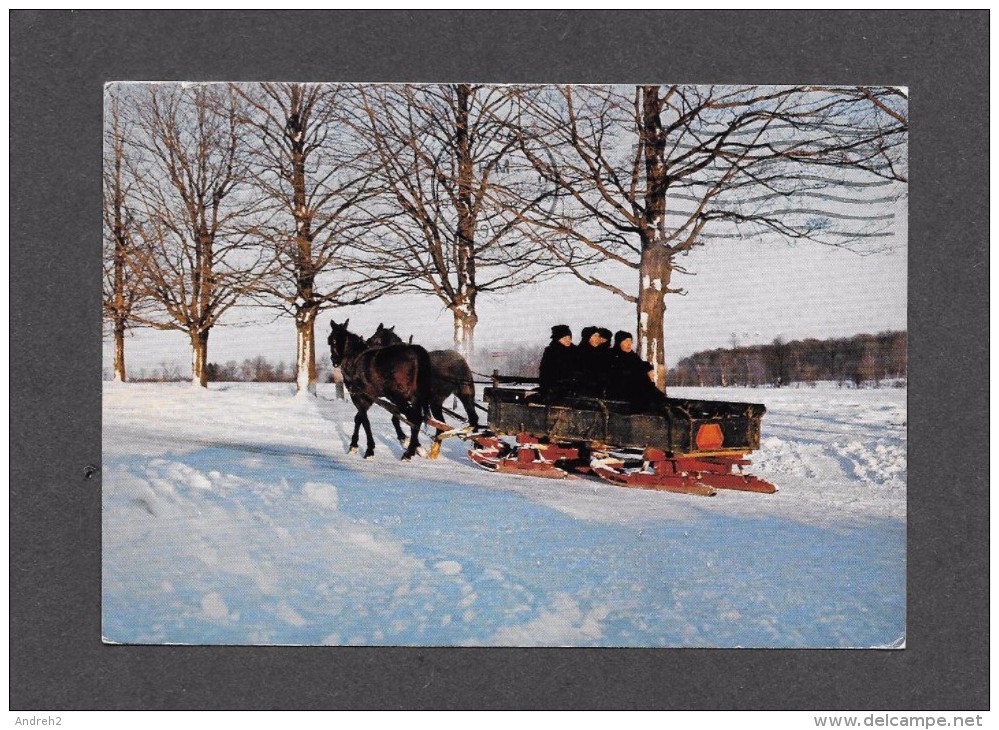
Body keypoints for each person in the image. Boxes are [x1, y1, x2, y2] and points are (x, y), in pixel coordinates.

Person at [609, 330, 667, 410]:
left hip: (634, 387)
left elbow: (641, 365)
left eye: (631, 341)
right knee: (644, 391)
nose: (629, 344)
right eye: (626, 341)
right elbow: (621, 374)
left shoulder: (632, 355)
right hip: (621, 389)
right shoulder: (613, 355)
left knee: (655, 393)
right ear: (619, 342)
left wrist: (648, 369)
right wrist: (642, 375)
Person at [538, 324, 577, 401]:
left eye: (569, 337)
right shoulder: (551, 352)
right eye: (564, 338)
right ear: (557, 339)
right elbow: (545, 372)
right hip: (554, 389)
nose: (567, 340)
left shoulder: (575, 351)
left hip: (573, 389)